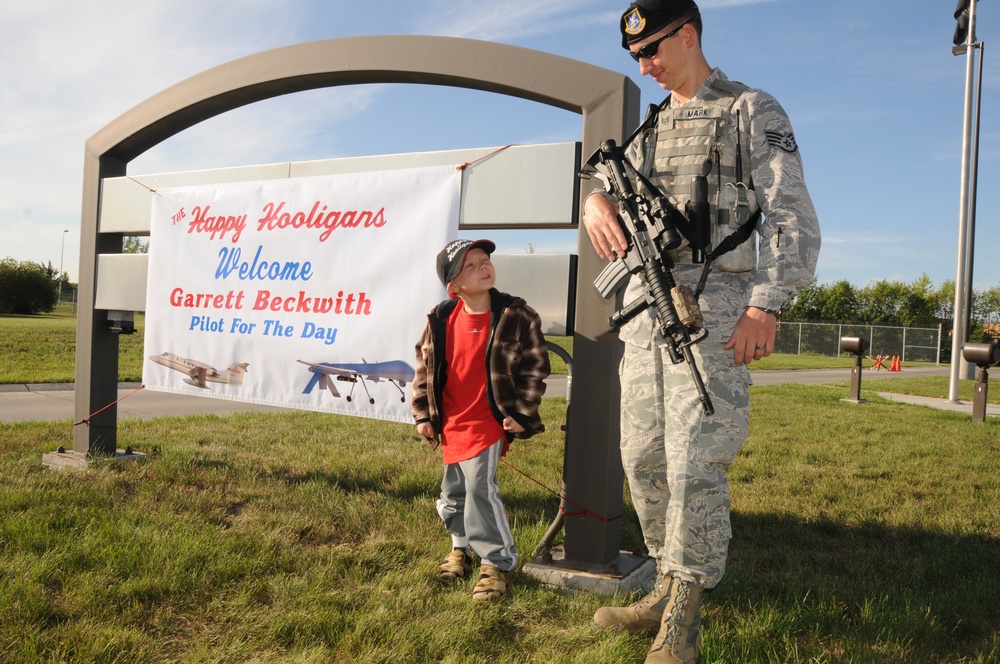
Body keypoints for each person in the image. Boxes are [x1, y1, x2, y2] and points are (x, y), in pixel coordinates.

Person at [583, 1, 821, 661]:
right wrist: (594, 200)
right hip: (645, 310)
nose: (644, 65)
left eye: (653, 50)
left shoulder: (749, 110)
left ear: (688, 34)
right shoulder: (653, 128)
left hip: (716, 305)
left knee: (696, 464)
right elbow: (603, 179)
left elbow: (792, 214)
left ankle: (682, 618)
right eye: (635, 57)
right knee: (643, 456)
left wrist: (765, 304)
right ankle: (665, 580)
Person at [411, 238, 550, 602]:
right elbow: (424, 370)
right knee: (453, 491)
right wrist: (424, 414)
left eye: (484, 260)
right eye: (470, 265)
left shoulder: (516, 315)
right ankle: (461, 548)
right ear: (453, 286)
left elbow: (535, 368)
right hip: (451, 422)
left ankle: (497, 562)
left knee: (479, 490)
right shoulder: (440, 318)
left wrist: (522, 412)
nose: (482, 267)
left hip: (489, 420)